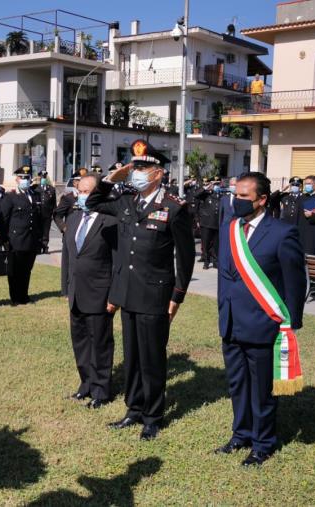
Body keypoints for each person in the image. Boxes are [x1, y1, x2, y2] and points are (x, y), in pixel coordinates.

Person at [86, 139, 195, 440]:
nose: (137, 172)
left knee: (152, 357)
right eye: (135, 167)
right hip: (127, 292)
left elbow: (185, 258)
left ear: (158, 173)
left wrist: (178, 296)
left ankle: (153, 415)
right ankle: (133, 409)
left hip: (154, 295)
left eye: (144, 167)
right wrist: (110, 179)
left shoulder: (173, 207)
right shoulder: (125, 201)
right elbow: (91, 203)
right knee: (132, 356)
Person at [215, 171, 306, 467]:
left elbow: (294, 281)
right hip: (230, 321)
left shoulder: (281, 232)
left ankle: (263, 442)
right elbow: (224, 276)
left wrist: (290, 322)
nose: (236, 200)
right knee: (237, 384)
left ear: (262, 199)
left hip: (262, 323)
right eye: (235, 194)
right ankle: (240, 434)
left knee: (261, 389)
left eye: (243, 196)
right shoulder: (229, 228)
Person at [61, 175, 119, 408]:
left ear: (97, 194)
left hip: (100, 293)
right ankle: (86, 383)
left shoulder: (110, 221)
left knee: (100, 343)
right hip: (76, 292)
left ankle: (101, 390)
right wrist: (65, 287)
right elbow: (68, 255)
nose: (81, 196)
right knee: (81, 342)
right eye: (79, 191)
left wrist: (114, 296)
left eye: (86, 191)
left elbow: (117, 262)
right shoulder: (73, 217)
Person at [0, 165, 42, 305]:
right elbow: (4, 219)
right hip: (15, 240)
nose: (25, 180)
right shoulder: (10, 196)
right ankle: (16, 298)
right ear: (17, 179)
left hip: (31, 239)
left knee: (26, 270)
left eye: (27, 177)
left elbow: (38, 217)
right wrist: (4, 240)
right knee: (15, 271)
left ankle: (24, 296)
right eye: (22, 177)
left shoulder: (34, 195)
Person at [195, 176, 222, 270]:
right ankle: (206, 261)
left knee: (216, 244)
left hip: (217, 223)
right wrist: (207, 187)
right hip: (206, 223)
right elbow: (196, 195)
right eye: (215, 184)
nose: (216, 186)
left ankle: (215, 262)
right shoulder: (205, 194)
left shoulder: (220, 195)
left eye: (217, 184)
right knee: (206, 244)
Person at [36, 171, 57, 254]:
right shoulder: (35, 188)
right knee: (38, 231)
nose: (43, 179)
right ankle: (38, 248)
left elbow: (54, 203)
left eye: (44, 178)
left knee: (46, 231)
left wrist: (53, 213)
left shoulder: (51, 189)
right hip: (38, 214)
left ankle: (45, 247)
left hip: (47, 214)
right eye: (42, 178)